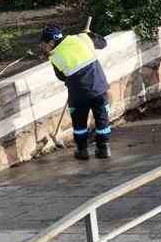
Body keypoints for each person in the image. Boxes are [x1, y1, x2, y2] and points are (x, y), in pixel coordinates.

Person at [40, 24, 112, 159]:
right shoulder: (82, 38)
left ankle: (82, 150)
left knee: (79, 123)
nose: (43, 47)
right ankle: (104, 148)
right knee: (102, 118)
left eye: (44, 44)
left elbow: (61, 77)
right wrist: (91, 35)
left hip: (78, 93)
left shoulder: (55, 56)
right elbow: (103, 43)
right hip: (99, 87)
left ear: (51, 42)